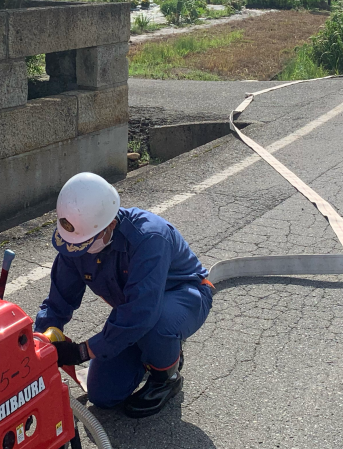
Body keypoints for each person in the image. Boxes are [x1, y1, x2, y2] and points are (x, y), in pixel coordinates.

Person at [35, 172, 213, 418]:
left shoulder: (149, 238)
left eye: (85, 244)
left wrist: (82, 352)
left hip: (184, 297)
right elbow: (58, 302)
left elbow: (140, 314)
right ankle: (152, 352)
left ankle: (167, 376)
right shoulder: (75, 242)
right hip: (136, 310)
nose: (79, 251)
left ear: (110, 225)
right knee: (103, 396)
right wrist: (38, 342)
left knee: (156, 326)